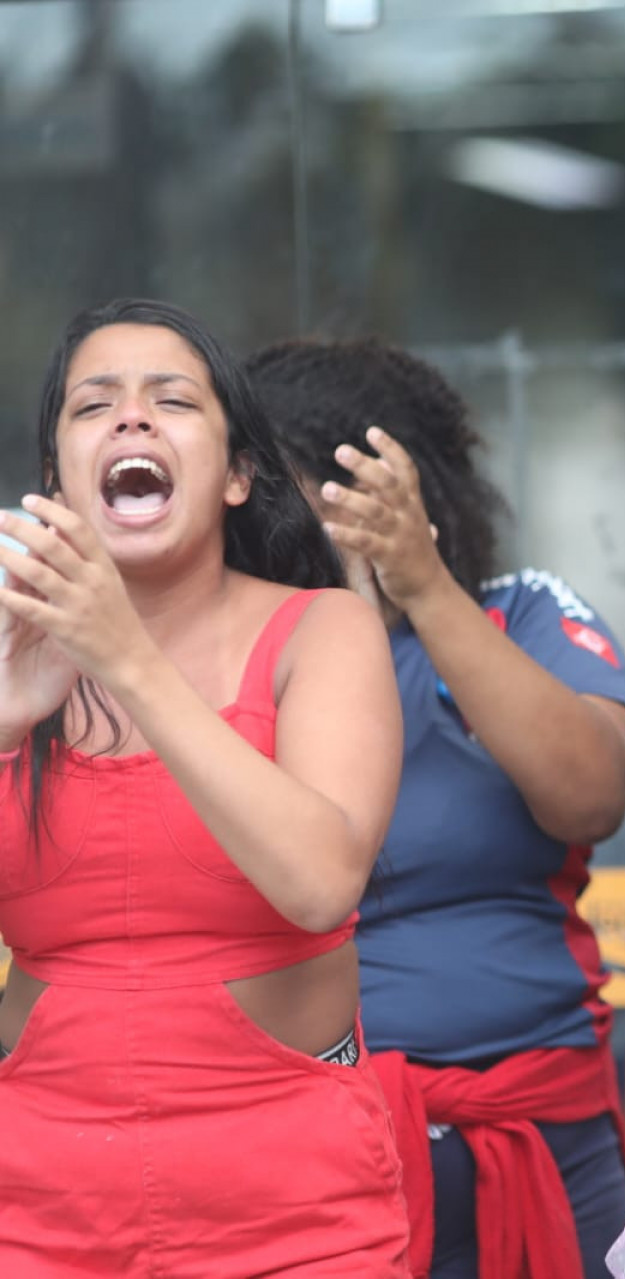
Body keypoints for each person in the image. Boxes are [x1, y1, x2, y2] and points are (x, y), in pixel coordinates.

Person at [0, 299, 409, 1273]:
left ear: (235, 476)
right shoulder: (9, 650)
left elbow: (320, 883)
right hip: (37, 1211)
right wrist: (6, 720)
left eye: (171, 399)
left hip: (295, 1214)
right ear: (58, 478)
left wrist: (129, 660)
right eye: (95, 404)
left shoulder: (323, 629)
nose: (132, 418)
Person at [248, 337, 625, 1279]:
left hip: (541, 1127)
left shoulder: (521, 615)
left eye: (330, 490)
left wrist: (421, 587)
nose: (309, 523)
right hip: (313, 1140)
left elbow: (593, 792)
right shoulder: (231, 654)